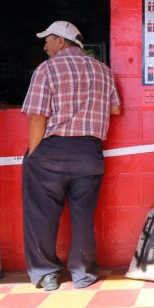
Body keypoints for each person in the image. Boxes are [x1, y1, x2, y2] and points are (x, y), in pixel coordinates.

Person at [21, 21, 121, 291]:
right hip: (90, 152)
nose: (45, 46)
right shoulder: (103, 70)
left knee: (41, 214)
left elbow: (37, 117)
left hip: (52, 150)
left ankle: (46, 274)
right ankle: (83, 273)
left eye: (48, 40)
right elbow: (115, 110)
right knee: (83, 215)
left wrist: (32, 152)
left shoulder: (47, 69)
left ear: (62, 42)